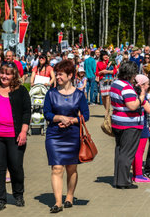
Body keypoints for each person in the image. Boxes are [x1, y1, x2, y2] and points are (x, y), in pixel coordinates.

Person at [110, 61, 150, 189]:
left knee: (120, 151)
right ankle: (123, 181)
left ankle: (119, 178)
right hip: (128, 124)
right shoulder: (126, 87)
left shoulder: (115, 83)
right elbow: (132, 105)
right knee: (127, 154)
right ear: (131, 74)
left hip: (118, 122)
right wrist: (141, 96)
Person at [43, 60, 90, 213]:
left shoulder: (79, 94)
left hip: (73, 135)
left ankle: (69, 196)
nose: (57, 77)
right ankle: (58, 202)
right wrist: (59, 118)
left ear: (70, 75)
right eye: (56, 74)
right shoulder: (51, 93)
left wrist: (71, 121)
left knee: (71, 168)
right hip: (54, 135)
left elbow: (86, 115)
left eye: (61, 74)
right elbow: (47, 113)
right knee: (56, 168)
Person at [0, 62, 31, 210]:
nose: (4, 76)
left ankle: (18, 194)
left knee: (16, 166)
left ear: (14, 76)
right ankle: (1, 198)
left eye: (8, 73)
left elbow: (26, 112)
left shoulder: (21, 91)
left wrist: (24, 131)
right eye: (2, 72)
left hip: (15, 135)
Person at [96, 51, 117, 119]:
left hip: (110, 79)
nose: (105, 56)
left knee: (108, 96)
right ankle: (106, 109)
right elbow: (97, 73)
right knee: (103, 96)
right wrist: (101, 72)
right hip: (102, 80)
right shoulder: (98, 63)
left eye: (106, 55)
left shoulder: (111, 61)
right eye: (104, 55)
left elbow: (115, 70)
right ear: (101, 56)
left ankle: (107, 111)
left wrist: (107, 71)